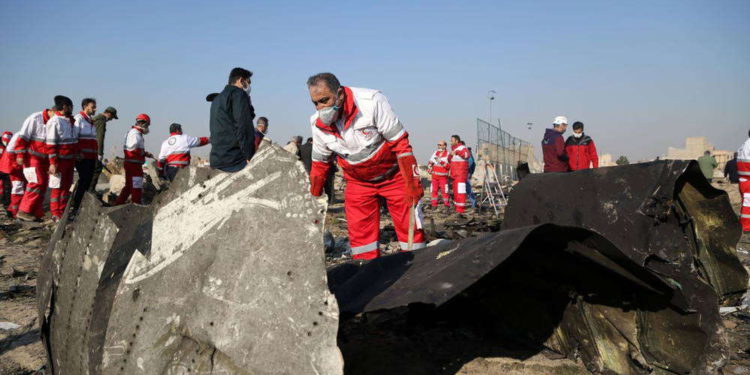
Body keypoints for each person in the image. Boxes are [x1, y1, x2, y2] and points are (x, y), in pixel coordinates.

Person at [307, 72, 425, 259]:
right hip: (358, 183)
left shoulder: (371, 102)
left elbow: (401, 145)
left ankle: (419, 267)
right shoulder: (317, 124)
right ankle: (369, 273)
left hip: (393, 176)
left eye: (324, 100)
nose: (320, 107)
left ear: (340, 94)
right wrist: (312, 201)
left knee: (411, 231)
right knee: (362, 240)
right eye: (315, 103)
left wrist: (412, 183)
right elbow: (319, 167)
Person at [16, 103, 58, 221]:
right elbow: (23, 138)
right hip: (32, 157)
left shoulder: (53, 122)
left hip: (44, 159)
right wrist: (20, 154)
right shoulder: (35, 119)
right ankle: (24, 211)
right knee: (36, 182)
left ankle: (34, 212)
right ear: (52, 111)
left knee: (43, 184)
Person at [209, 67, 255, 172]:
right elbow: (244, 126)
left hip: (217, 158)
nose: (249, 86)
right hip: (234, 159)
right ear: (241, 81)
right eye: (249, 82)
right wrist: (249, 156)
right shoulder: (238, 94)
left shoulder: (217, 99)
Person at [45, 96, 78, 221]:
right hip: (59, 161)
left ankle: (63, 212)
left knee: (66, 186)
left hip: (70, 161)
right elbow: (51, 144)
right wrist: (53, 163)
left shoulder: (69, 121)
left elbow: (73, 141)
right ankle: (55, 213)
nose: (72, 109)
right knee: (57, 187)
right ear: (65, 106)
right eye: (71, 106)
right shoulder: (55, 122)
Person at [70, 98, 99, 218]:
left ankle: (82, 206)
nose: (95, 109)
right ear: (85, 106)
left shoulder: (90, 121)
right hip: (83, 157)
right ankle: (76, 207)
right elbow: (74, 137)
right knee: (84, 181)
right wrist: (78, 152)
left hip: (91, 157)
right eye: (93, 107)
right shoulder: (79, 119)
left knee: (88, 182)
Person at [115, 114, 153, 205]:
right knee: (137, 186)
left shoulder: (133, 132)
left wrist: (145, 153)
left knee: (128, 186)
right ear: (143, 123)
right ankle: (137, 204)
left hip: (131, 163)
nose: (147, 127)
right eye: (147, 125)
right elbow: (132, 148)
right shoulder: (135, 134)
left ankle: (118, 204)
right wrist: (142, 153)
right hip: (134, 165)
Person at [89, 106, 118, 192]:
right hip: (94, 150)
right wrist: (99, 153)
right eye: (112, 117)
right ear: (109, 114)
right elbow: (99, 137)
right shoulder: (101, 120)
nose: (111, 119)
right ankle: (90, 192)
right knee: (96, 169)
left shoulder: (96, 118)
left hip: (89, 148)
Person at [449, 135, 470, 213]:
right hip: (454, 175)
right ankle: (457, 208)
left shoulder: (462, 148)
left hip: (460, 175)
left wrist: (457, 152)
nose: (450, 142)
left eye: (452, 140)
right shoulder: (454, 149)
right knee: (456, 192)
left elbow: (467, 155)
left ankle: (460, 209)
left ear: (456, 141)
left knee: (460, 192)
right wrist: (450, 155)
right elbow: (449, 160)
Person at [427, 140, 451, 209]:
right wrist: (429, 166)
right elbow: (430, 161)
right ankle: (434, 204)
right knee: (434, 191)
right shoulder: (435, 152)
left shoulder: (448, 154)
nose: (439, 146)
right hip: (434, 177)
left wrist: (441, 161)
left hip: (443, 177)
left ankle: (446, 204)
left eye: (440, 145)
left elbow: (449, 166)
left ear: (445, 146)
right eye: (438, 145)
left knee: (445, 191)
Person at [736, 132, 750, 232]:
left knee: (746, 204)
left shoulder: (744, 145)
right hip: (748, 180)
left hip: (744, 180)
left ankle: (743, 224)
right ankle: (746, 226)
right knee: (748, 205)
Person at [0, 131, 11, 207]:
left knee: (6, 186)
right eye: (5, 141)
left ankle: (6, 202)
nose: (6, 143)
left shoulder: (10, 147)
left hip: (5, 169)